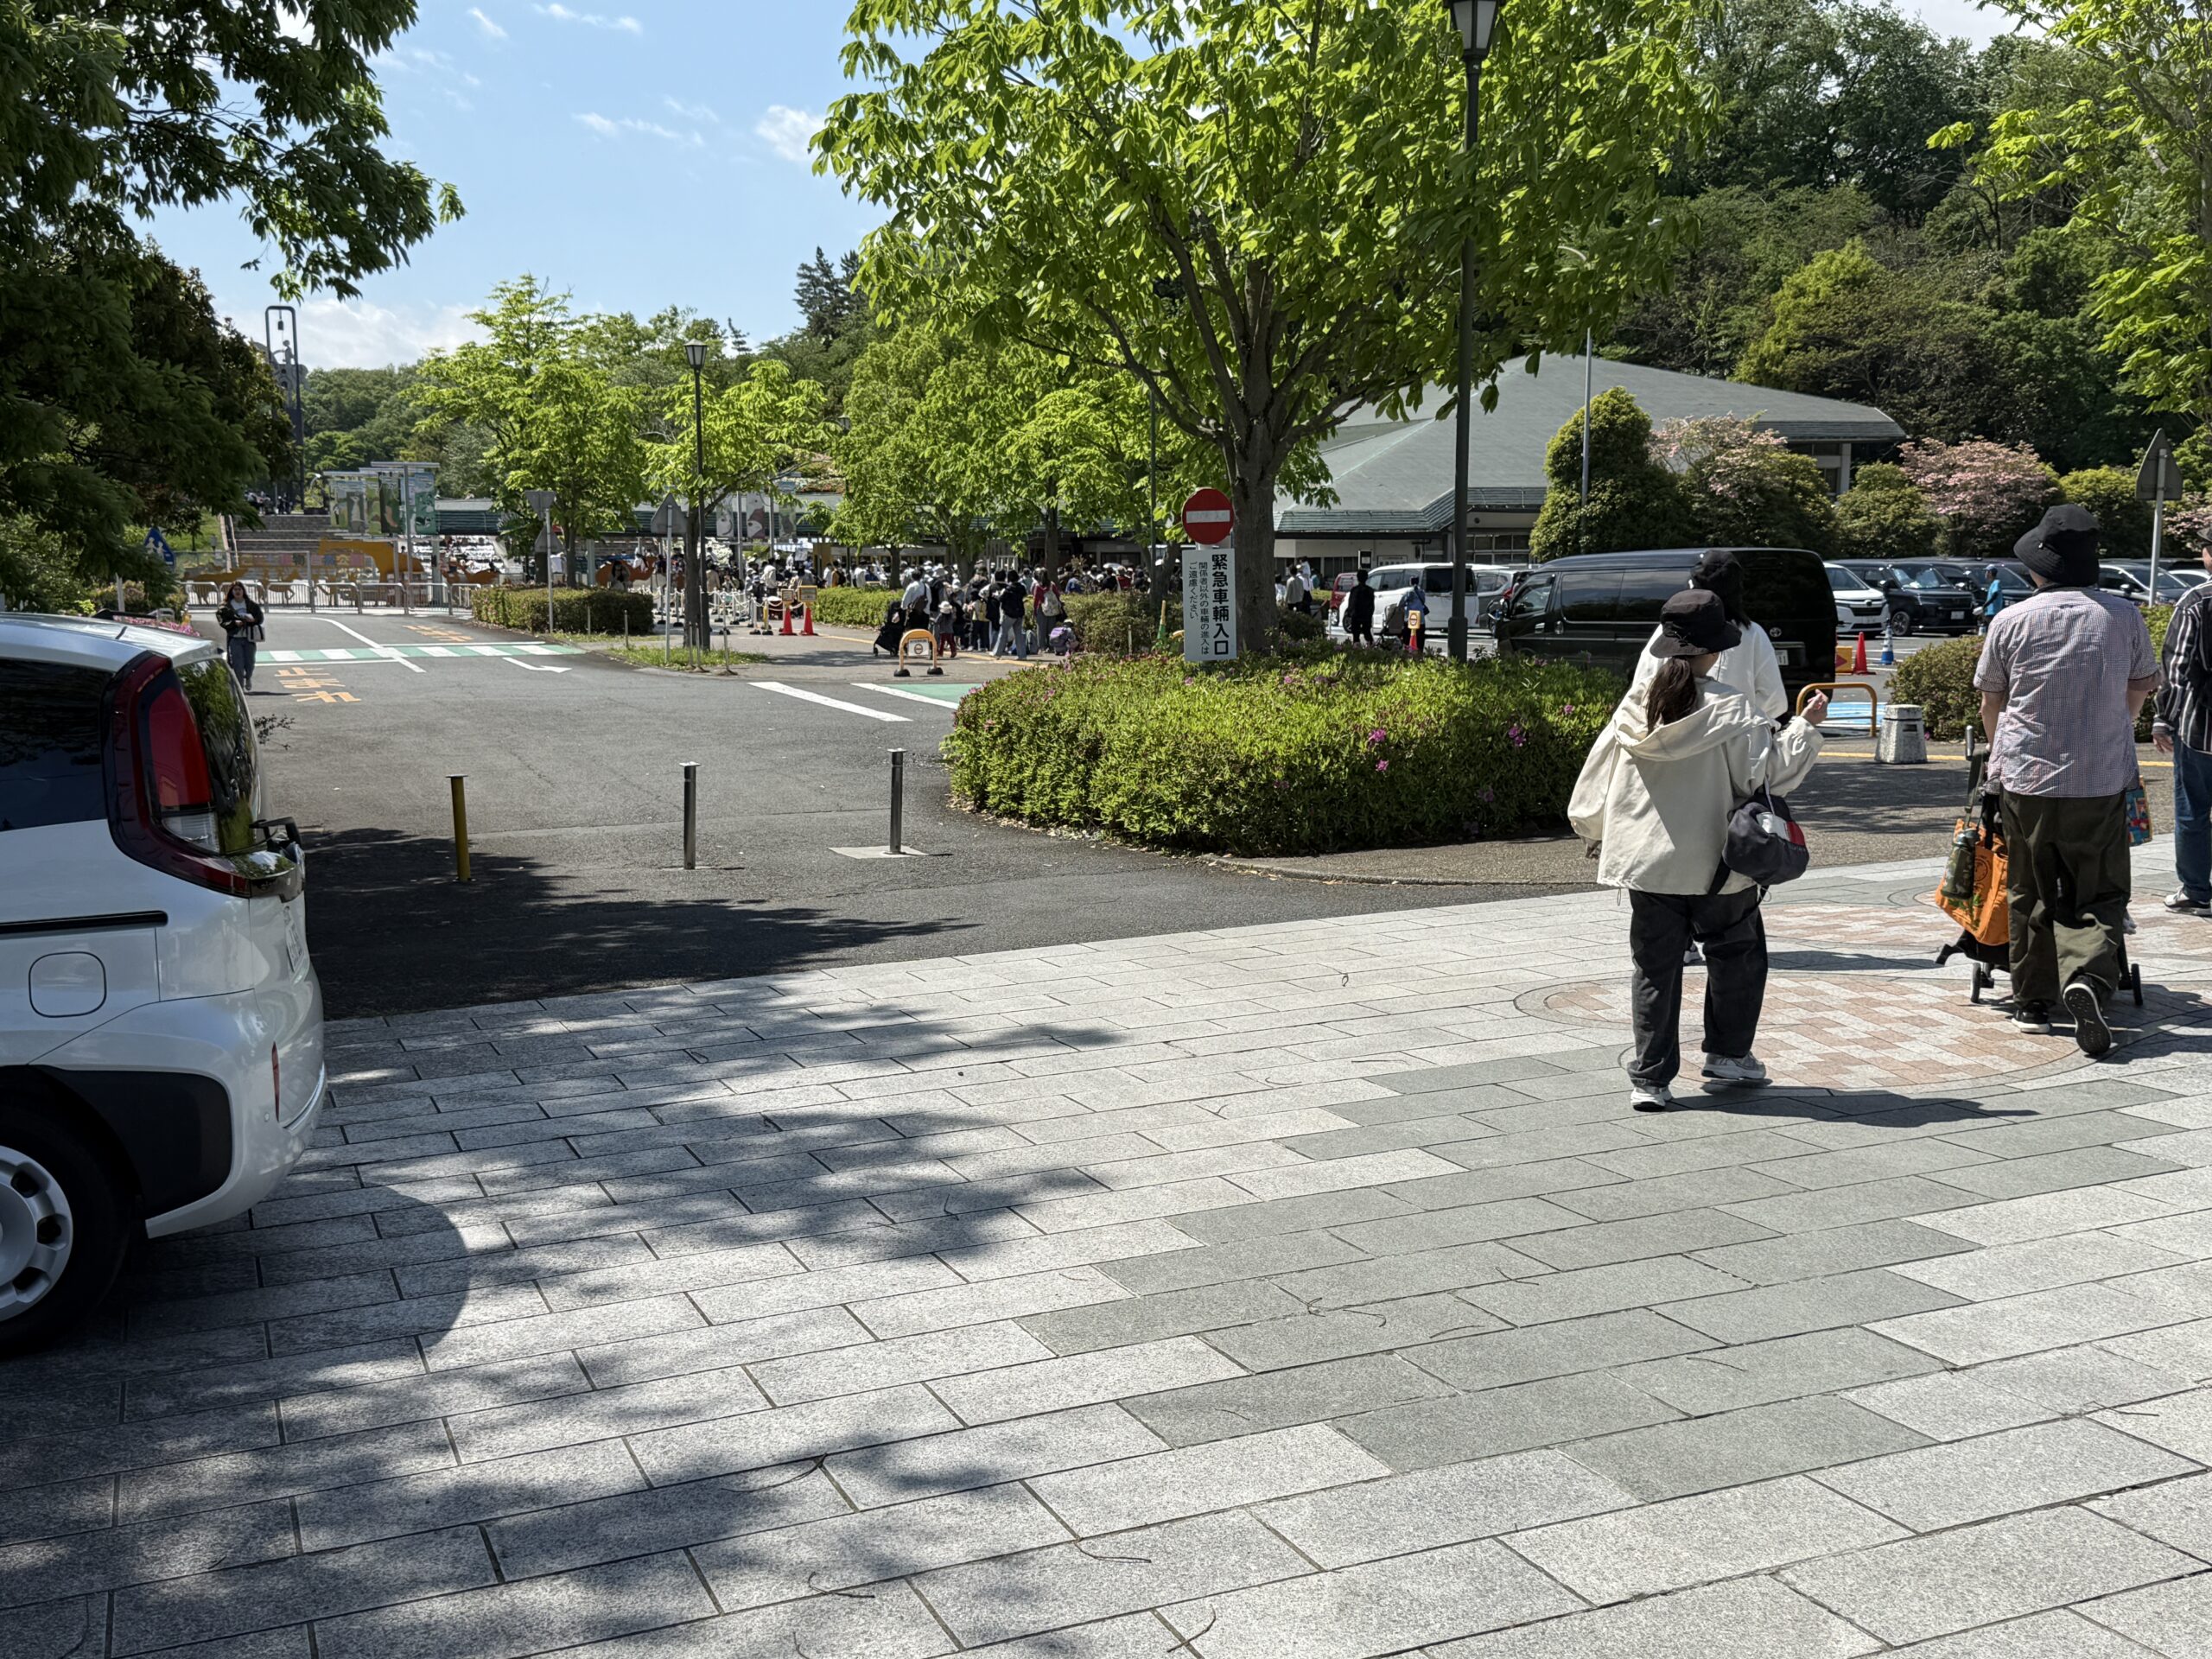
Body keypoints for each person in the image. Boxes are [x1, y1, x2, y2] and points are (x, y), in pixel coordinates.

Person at [1570, 589, 1829, 1111]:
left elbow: (1596, 780)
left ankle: (1650, 1079)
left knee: (1655, 968)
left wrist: (1595, 831)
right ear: (1714, 651)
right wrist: (1806, 728)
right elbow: (1768, 777)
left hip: (1646, 863)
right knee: (1736, 954)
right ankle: (1728, 1056)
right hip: (1717, 864)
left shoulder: (1636, 707)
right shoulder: (1731, 709)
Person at [1976, 505, 2160, 1053]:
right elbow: (2141, 685)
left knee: (2029, 887)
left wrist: (1999, 751)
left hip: (2026, 776)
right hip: (2100, 777)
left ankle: (2032, 1003)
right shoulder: (2123, 616)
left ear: (2039, 569)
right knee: (2099, 889)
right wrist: (2117, 726)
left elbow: (1991, 701)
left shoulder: (2012, 620)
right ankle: (2086, 978)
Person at [1627, 549, 1788, 723]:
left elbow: (1643, 687)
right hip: (1731, 734)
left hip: (1671, 733)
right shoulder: (1752, 633)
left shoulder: (1669, 631)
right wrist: (1740, 720)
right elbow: (1774, 700)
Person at [2152, 531, 2212, 915]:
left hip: (2201, 725)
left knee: (2193, 809)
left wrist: (2163, 718)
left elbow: (2175, 668)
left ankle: (2197, 891)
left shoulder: (2196, 601)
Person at [217, 582, 264, 690]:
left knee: (250, 662)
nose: (237, 592)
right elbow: (222, 621)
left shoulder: (251, 604)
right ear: (232, 592)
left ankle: (248, 677)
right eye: (235, 590)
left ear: (243, 591)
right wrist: (234, 623)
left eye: (239, 589)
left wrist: (253, 620)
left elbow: (260, 618)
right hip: (235, 638)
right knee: (237, 664)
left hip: (249, 638)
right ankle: (240, 688)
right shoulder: (226, 606)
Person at [1344, 569, 1376, 646]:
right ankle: (1372, 648)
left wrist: (1349, 613)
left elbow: (1351, 603)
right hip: (1366, 616)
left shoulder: (1354, 590)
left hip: (1356, 616)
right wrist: (1370, 614)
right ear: (1366, 578)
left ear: (1358, 578)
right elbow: (1372, 606)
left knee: (1356, 636)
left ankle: (1356, 649)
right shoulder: (1370, 591)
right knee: (1367, 634)